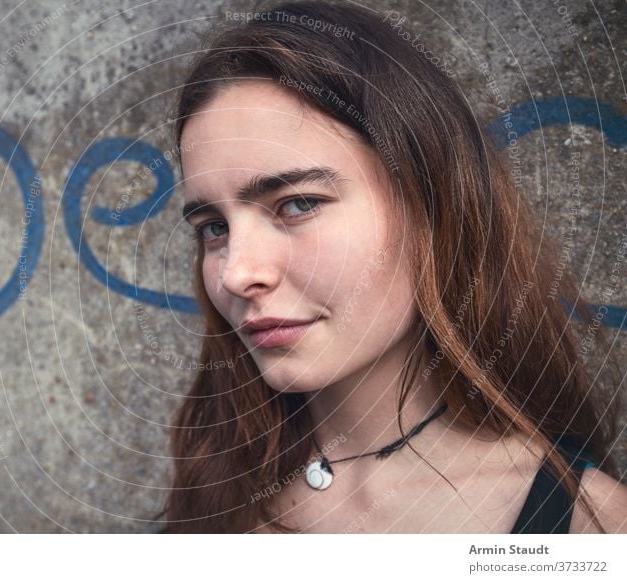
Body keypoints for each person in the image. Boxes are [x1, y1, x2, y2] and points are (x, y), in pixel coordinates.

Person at [156, 0, 627, 533]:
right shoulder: (213, 490)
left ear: (431, 207)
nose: (235, 274)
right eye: (213, 227)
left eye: (298, 203)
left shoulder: (589, 528)